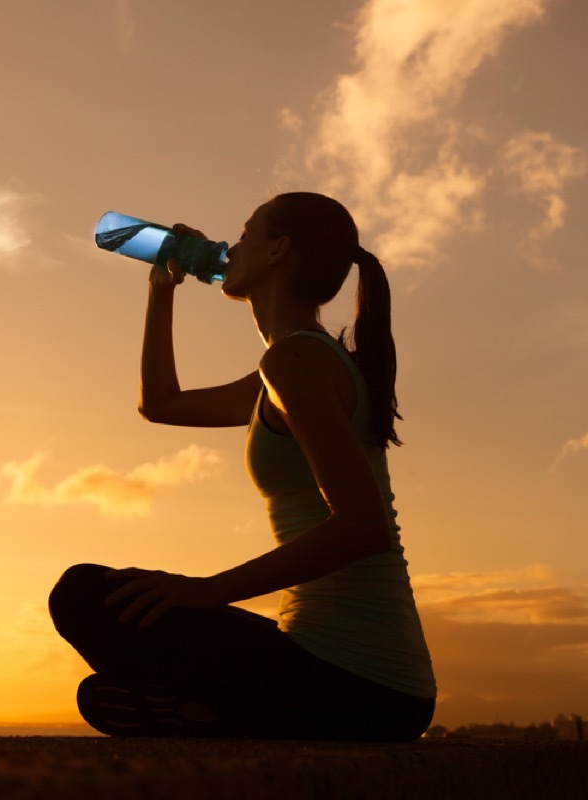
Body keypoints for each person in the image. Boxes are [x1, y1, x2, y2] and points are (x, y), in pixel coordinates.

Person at [48, 192, 436, 742]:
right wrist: (162, 291)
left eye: (248, 232)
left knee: (84, 594)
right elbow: (161, 404)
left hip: (360, 685)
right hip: (359, 680)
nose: (231, 245)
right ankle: (206, 712)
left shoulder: (295, 363)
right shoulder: (292, 364)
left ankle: (213, 711)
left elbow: (363, 526)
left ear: (278, 250)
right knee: (106, 620)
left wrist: (207, 591)